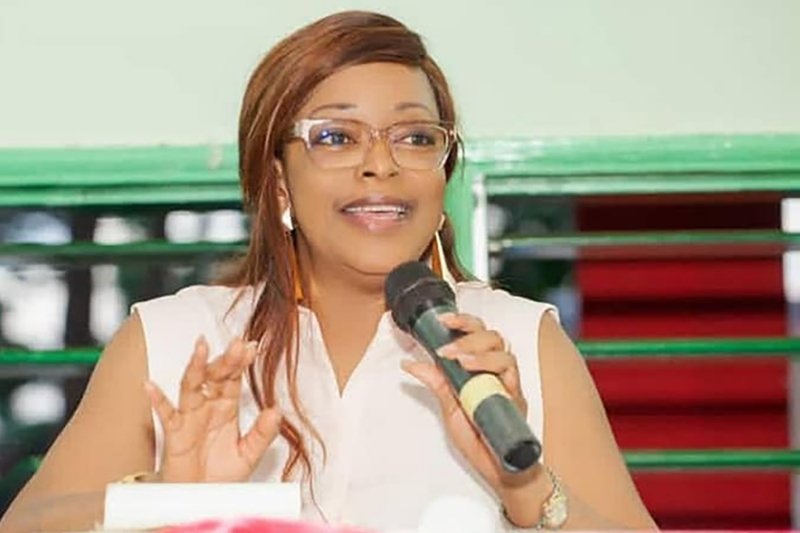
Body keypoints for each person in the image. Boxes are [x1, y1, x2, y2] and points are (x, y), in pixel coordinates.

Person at [0, 11, 656, 532]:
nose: (381, 164)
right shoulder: (175, 339)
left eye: (415, 137)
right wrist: (167, 498)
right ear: (278, 180)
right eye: (337, 137)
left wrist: (524, 485)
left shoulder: (519, 343)